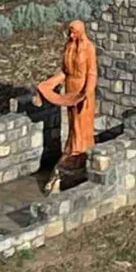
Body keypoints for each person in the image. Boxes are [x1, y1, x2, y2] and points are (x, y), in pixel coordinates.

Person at [33, 19, 98, 193]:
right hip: (70, 90)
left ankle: (80, 154)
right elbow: (64, 72)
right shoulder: (68, 47)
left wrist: (86, 93)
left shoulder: (89, 48)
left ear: (81, 32)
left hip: (84, 92)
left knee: (83, 124)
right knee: (73, 124)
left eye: (74, 32)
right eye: (70, 32)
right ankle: (72, 151)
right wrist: (47, 85)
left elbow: (92, 73)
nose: (71, 36)